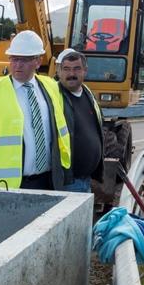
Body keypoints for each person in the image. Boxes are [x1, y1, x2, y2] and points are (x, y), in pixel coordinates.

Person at [0, 30, 71, 190]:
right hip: (5, 187)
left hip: (48, 183)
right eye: (14, 59)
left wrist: (64, 176)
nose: (17, 65)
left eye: (24, 60)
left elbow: (60, 136)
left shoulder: (51, 87)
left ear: (38, 61)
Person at [55, 48, 103, 192]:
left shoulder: (88, 94)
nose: (71, 74)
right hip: (67, 181)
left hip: (86, 179)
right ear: (59, 71)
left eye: (76, 69)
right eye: (66, 69)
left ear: (85, 71)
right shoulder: (54, 96)